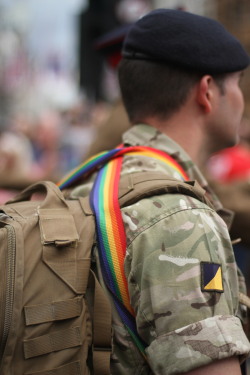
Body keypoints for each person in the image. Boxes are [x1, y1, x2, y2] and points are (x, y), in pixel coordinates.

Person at [70, 9, 250, 374]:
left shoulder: (90, 180)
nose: (241, 98)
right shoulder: (181, 219)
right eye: (238, 82)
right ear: (207, 92)